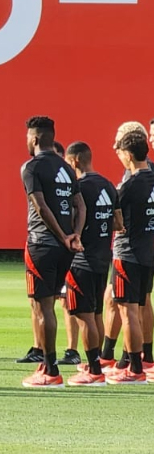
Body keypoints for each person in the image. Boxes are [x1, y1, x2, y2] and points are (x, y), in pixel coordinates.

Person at [20, 116, 84, 388]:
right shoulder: (66, 168)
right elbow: (80, 206)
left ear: (34, 139)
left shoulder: (31, 167)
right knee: (47, 305)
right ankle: (47, 363)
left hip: (41, 243)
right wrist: (74, 236)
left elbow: (41, 206)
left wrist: (60, 234)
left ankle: (51, 370)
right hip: (65, 247)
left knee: (42, 306)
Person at [60, 142, 116, 386]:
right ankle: (99, 361)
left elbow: (70, 221)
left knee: (83, 316)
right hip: (103, 258)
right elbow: (119, 223)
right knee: (95, 313)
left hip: (81, 260)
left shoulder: (78, 188)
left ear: (74, 162)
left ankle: (94, 370)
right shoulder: (108, 185)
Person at [105, 131, 153, 384]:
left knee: (129, 311)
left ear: (128, 155)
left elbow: (115, 220)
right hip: (148, 252)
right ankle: (145, 360)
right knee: (142, 306)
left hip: (128, 253)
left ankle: (134, 368)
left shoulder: (128, 186)